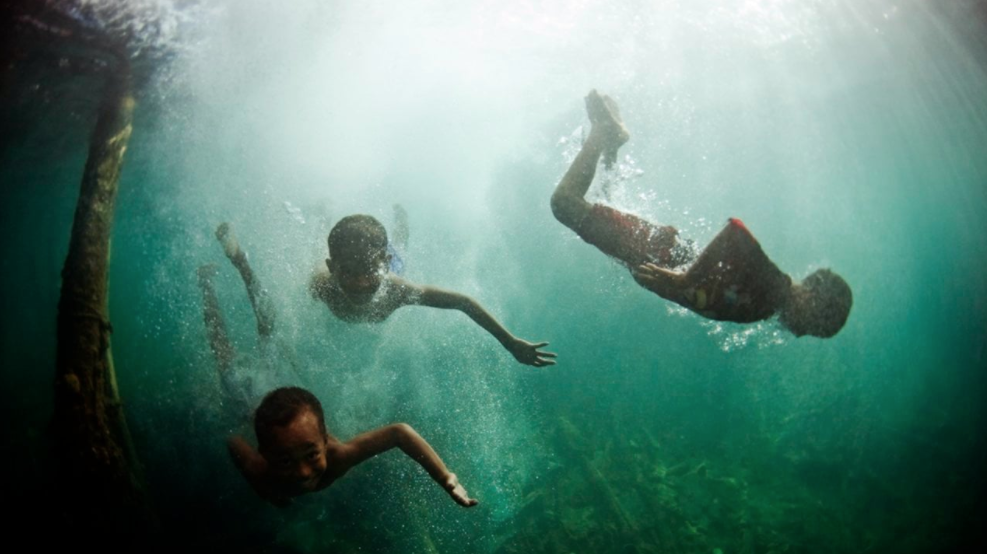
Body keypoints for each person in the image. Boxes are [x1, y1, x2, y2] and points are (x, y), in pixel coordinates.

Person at [550, 90, 852, 338]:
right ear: (811, 299)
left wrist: (678, 285)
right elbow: (736, 233)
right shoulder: (772, 287)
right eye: (812, 326)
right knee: (565, 204)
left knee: (596, 212)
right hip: (662, 252)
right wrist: (682, 281)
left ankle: (610, 144)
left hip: (660, 255)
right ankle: (603, 132)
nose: (800, 333)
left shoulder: (766, 305)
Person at [310, 214, 557, 365]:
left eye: (368, 271)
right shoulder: (322, 286)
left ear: (382, 265)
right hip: (366, 259)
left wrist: (509, 341)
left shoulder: (398, 290)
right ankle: (322, 218)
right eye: (348, 273)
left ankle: (401, 222)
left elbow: (464, 302)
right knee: (320, 249)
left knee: (399, 249)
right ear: (332, 268)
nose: (361, 282)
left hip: (390, 261)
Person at [227, 386, 478, 508]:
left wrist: (446, 478)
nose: (303, 472)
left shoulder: (340, 457)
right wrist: (267, 494)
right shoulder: (260, 473)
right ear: (265, 456)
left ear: (325, 442)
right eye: (284, 461)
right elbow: (232, 441)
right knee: (235, 395)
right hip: (247, 407)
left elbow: (398, 433)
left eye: (312, 454)